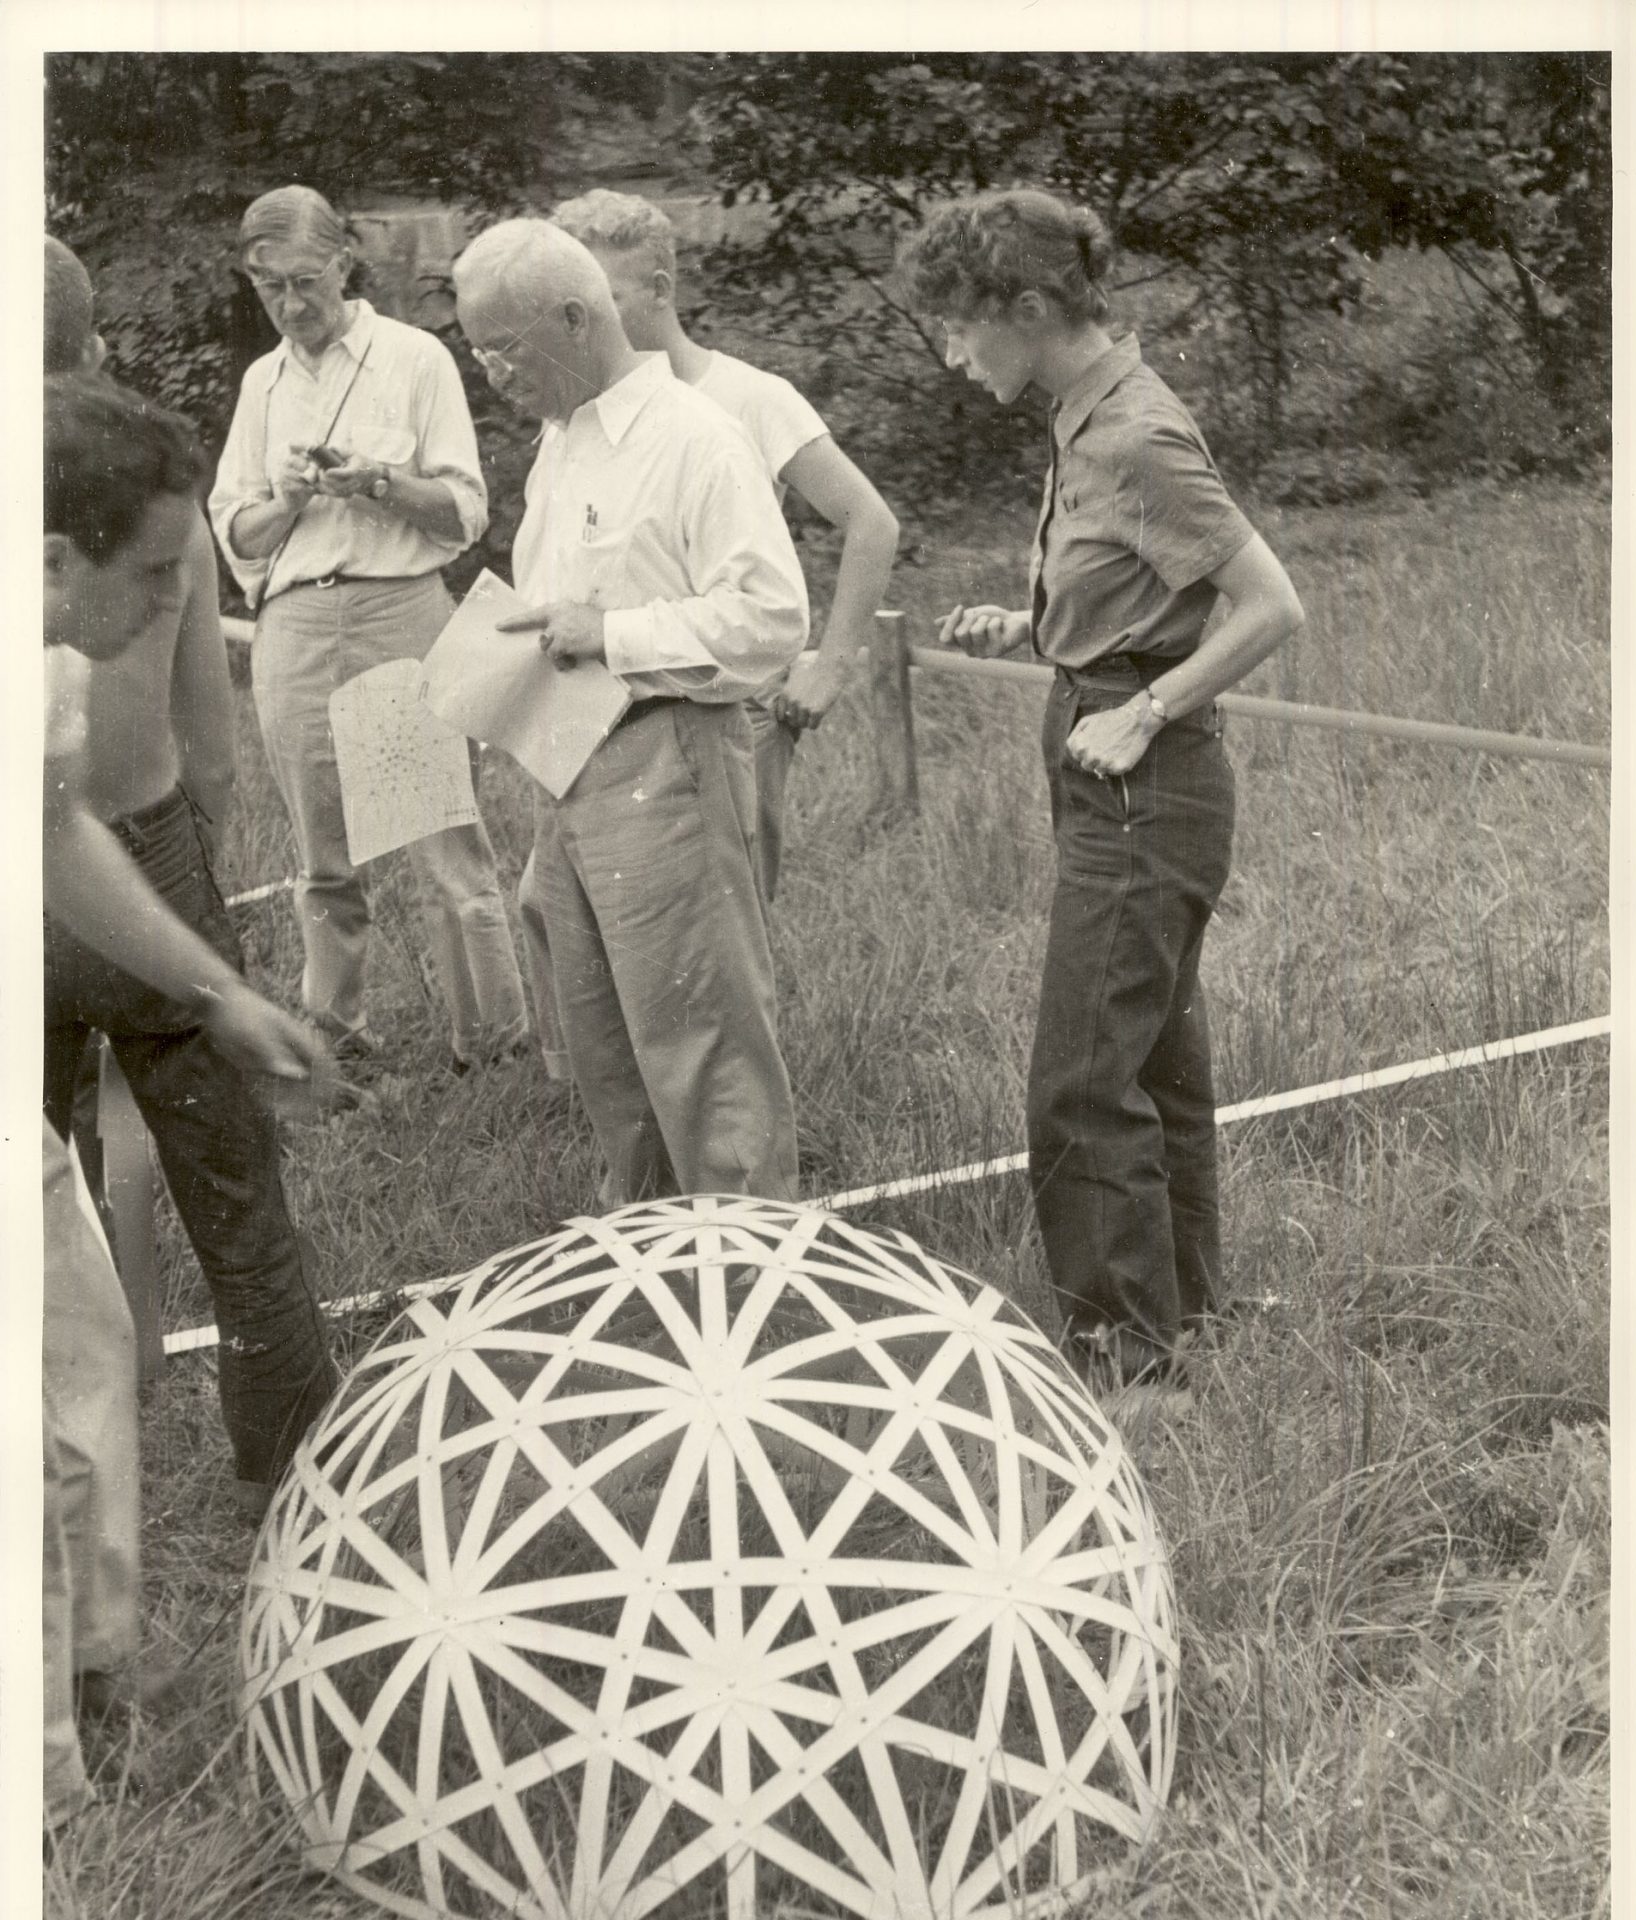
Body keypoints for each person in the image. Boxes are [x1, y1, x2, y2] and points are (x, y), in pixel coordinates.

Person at [898, 189, 1304, 1410]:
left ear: (1028, 307)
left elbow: (1271, 605)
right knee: (1151, 1062)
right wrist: (1043, 628)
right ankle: (1183, 1313)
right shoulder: (1083, 417)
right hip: (1104, 749)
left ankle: (1131, 1368)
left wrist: (1143, 707)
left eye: (959, 329)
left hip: (1143, 776)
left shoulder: (1132, 432)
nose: (951, 355)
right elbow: (1143, 591)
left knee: (1080, 1077)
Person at [43, 373, 331, 1832]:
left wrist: (215, 991)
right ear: (45, 557)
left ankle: (87, 1712)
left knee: (83, 1335)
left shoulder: (43, 661)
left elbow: (54, 837)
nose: (174, 603)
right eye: (154, 575)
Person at [451, 219, 808, 1201]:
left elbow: (773, 617)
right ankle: (651, 1261)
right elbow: (559, 615)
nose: (488, 372)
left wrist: (611, 636)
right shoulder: (558, 443)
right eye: (473, 350)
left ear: (575, 317)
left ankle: (746, 1276)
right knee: (604, 1043)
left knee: (702, 1047)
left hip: (670, 761)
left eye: (501, 347)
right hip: (574, 771)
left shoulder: (694, 436)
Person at [208, 185, 528, 1080]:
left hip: (395, 615)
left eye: (305, 281)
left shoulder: (413, 358)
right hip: (296, 625)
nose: (290, 304)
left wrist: (379, 482)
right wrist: (289, 501)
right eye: (268, 287)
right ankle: (335, 1043)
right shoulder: (261, 382)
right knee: (324, 861)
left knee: (437, 843)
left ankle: (492, 1044)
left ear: (346, 262)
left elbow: (463, 512)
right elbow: (232, 530)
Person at [549, 188, 900, 900]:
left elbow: (871, 522)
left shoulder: (747, 396)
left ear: (660, 288)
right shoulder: (579, 410)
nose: (587, 320)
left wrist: (827, 670)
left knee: (727, 919)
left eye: (605, 296)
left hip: (723, 704)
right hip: (610, 709)